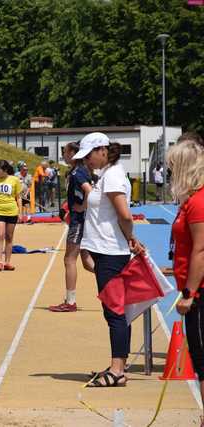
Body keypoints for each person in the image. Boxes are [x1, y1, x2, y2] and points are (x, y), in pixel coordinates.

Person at [73, 132, 144, 387]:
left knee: (115, 312)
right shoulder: (106, 173)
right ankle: (118, 365)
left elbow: (124, 213)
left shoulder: (112, 174)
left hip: (112, 252)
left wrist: (131, 238)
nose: (87, 161)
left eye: (89, 155)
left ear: (102, 150)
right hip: (105, 250)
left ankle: (118, 370)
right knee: (114, 311)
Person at [170, 141, 204, 425]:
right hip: (193, 286)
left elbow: (201, 250)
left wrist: (189, 293)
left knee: (203, 360)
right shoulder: (191, 201)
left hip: (200, 293)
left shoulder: (198, 202)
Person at [49, 142, 95, 312]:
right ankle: (115, 283)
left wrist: (81, 208)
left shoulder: (77, 172)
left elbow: (89, 191)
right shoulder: (79, 171)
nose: (63, 155)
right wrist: (67, 205)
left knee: (69, 259)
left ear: (74, 153)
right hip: (80, 219)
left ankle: (70, 302)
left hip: (79, 221)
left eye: (65, 152)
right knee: (87, 262)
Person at [0, 160, 21, 271]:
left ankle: (7, 262)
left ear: (5, 170)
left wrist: (20, 212)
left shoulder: (14, 180)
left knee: (9, 237)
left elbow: (18, 197)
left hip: (12, 211)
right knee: (0, 234)